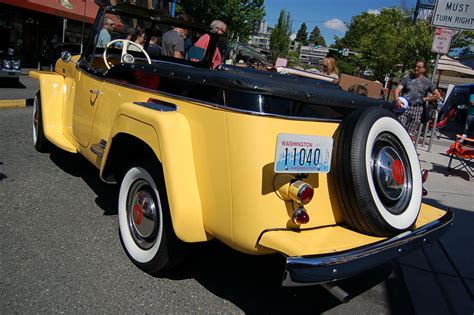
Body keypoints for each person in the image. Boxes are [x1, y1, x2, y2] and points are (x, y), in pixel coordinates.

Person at [394, 61, 441, 136]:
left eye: (419, 67)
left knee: (409, 133)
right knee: (400, 128)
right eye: (415, 66)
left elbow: (437, 95)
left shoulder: (427, 82)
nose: (416, 68)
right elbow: (397, 90)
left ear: (424, 69)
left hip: (417, 109)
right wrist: (397, 99)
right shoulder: (407, 78)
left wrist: (425, 99)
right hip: (404, 107)